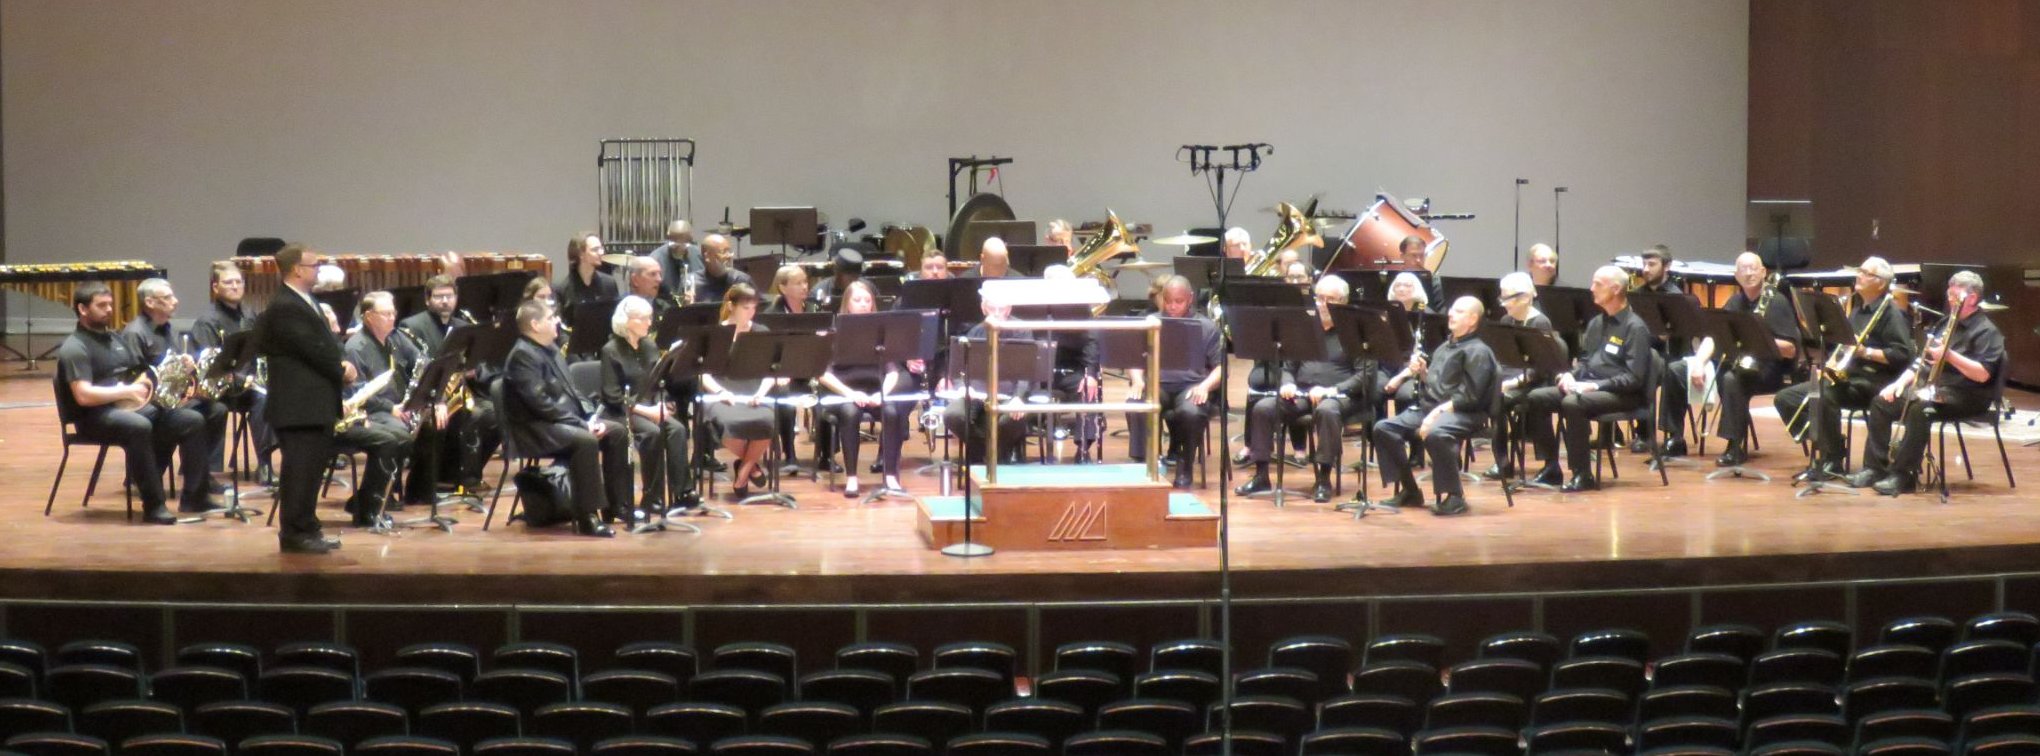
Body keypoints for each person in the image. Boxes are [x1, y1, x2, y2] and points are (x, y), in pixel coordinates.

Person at [53, 282, 214, 525]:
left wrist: (175, 369)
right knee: (138, 426)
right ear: (83, 309)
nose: (108, 310)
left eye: (110, 304)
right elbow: (83, 395)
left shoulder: (115, 340)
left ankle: (195, 497)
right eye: (101, 305)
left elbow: (139, 373)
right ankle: (154, 506)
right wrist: (125, 391)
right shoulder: (75, 347)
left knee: (191, 419)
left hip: (130, 407)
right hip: (94, 417)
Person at [1848, 271, 2001, 495]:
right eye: (1949, 295)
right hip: (1937, 390)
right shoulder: (1944, 323)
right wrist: (1897, 384)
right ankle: (1875, 468)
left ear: (1973, 298)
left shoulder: (1987, 331)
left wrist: (1949, 356)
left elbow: (1983, 375)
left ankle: (1904, 475)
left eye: (1955, 296)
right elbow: (1922, 361)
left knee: (1919, 409)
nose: (1950, 301)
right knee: (1881, 402)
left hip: (1968, 395)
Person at [1771, 256, 1915, 480]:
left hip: (1875, 381)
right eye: (1860, 270)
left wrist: (1865, 352)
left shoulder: (1890, 312)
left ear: (1880, 282)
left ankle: (1832, 459)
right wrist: (1829, 367)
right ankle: (1828, 449)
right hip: (1850, 377)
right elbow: (1844, 346)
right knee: (1786, 398)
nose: (1859, 275)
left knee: (1825, 396)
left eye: (1866, 273)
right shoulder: (1858, 309)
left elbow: (1904, 354)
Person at [254, 243, 353, 553]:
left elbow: (321, 344)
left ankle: (309, 527)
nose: (318, 270)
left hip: (313, 405)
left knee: (310, 471)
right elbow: (312, 350)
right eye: (314, 265)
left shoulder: (304, 300)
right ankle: (295, 534)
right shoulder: (285, 306)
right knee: (298, 471)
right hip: (298, 405)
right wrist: (341, 370)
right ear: (296, 269)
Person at [501, 299, 630, 535]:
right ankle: (587, 517)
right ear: (535, 324)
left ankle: (616, 506)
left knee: (617, 431)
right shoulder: (522, 356)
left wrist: (590, 416)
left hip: (559, 421)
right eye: (551, 317)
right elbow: (540, 404)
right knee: (585, 440)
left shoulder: (551, 348)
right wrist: (582, 425)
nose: (557, 320)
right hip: (534, 428)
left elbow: (574, 391)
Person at [1520, 265, 1655, 492]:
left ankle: (1583, 474)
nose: (1591, 289)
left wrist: (1594, 385)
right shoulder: (1596, 323)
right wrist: (1570, 376)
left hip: (1625, 395)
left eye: (1598, 284)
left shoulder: (1635, 327)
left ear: (1616, 288)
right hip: (1591, 388)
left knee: (1573, 403)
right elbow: (1585, 361)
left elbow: (1634, 378)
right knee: (1536, 397)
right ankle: (1551, 466)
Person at [1236, 275, 1370, 503]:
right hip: (1303, 393)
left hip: (1340, 396)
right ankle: (1261, 475)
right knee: (1263, 408)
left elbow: (1364, 375)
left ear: (1343, 302)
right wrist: (1288, 383)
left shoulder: (1354, 332)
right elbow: (1288, 366)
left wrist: (1332, 390)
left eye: (1330, 299)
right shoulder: (1305, 328)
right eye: (1319, 298)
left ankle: (1324, 478)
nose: (1323, 304)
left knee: (1327, 411)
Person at [1368, 296, 1498, 516]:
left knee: (1437, 433)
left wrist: (1435, 414)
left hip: (1465, 413)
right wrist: (1423, 374)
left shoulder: (1478, 351)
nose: (1451, 314)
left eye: (1458, 311)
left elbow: (1471, 397)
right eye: (1452, 310)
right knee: (1384, 428)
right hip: (1433, 409)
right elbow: (1438, 385)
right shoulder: (1446, 346)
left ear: (1473, 319)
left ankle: (1455, 497)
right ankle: (1410, 490)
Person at [123, 277, 231, 505]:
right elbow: (133, 376)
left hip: (169, 397)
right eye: (168, 297)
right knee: (193, 418)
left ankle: (200, 477)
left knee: (216, 409)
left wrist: (186, 366)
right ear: (150, 302)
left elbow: (171, 369)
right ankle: (190, 491)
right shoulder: (135, 333)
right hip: (146, 402)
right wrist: (170, 373)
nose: (176, 301)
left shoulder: (166, 329)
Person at [1698, 253, 1798, 467]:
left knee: (1732, 379)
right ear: (1736, 275)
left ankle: (1735, 445)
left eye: (1754, 268)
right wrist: (1699, 362)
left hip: (1770, 369)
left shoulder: (1777, 302)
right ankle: (1678, 438)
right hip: (1743, 366)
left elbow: (1791, 349)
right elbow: (1717, 336)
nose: (1749, 273)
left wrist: (1759, 341)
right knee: (1725, 372)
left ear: (1763, 272)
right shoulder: (1735, 301)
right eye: (1743, 269)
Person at [600, 296, 699, 513]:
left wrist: (664, 405)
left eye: (649, 318)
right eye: (643, 319)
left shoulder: (649, 346)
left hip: (650, 407)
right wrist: (649, 411)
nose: (648, 323)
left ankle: (682, 491)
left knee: (678, 429)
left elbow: (657, 382)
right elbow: (612, 395)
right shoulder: (611, 350)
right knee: (652, 433)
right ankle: (651, 496)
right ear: (627, 321)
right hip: (622, 411)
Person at [1126, 276, 1224, 489]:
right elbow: (1134, 359)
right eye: (1168, 301)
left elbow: (1220, 367)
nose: (1172, 306)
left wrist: (1205, 386)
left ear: (1190, 299)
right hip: (1156, 385)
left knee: (1191, 412)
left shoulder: (1207, 327)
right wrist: (1137, 380)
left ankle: (1185, 464)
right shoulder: (1150, 323)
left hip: (1191, 387)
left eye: (1178, 301)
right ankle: (1145, 463)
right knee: (1137, 404)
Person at [338, 292, 426, 523]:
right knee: (399, 436)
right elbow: (357, 392)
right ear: (369, 316)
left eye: (393, 312)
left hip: (397, 406)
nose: (392, 317)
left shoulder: (395, 338)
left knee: (427, 427)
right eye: (386, 314)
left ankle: (412, 490)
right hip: (372, 410)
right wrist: (392, 408)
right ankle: (372, 496)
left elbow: (422, 361)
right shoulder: (356, 347)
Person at [816, 280, 909, 498]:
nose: (863, 304)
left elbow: (893, 371)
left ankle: (891, 476)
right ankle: (852, 478)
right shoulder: (835, 332)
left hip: (875, 392)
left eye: (867, 300)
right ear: (847, 304)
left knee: (892, 411)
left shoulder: (880, 333)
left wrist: (882, 394)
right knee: (850, 412)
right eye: (857, 300)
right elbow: (824, 374)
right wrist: (850, 394)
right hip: (843, 393)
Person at [192, 260, 276, 484]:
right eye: (228, 282)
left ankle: (265, 463)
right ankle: (207, 473)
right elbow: (207, 363)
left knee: (264, 398)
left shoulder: (250, 315)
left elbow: (259, 351)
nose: (235, 286)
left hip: (246, 385)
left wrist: (256, 376)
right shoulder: (206, 321)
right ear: (215, 287)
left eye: (239, 282)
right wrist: (237, 378)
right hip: (217, 389)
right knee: (217, 408)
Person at [700, 284, 779, 497]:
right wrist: (720, 393)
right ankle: (751, 466)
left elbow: (772, 372)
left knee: (767, 421)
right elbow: (704, 374)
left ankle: (742, 474)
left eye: (754, 308)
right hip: (722, 395)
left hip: (754, 393)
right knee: (727, 424)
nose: (751, 312)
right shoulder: (717, 333)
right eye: (746, 307)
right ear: (731, 306)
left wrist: (761, 393)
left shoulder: (761, 333)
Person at [942, 291, 1038, 465]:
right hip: (979, 394)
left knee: (1009, 420)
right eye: (991, 308)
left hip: (1010, 394)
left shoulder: (1022, 330)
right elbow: (960, 368)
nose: (996, 313)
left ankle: (993, 456)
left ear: (1008, 310)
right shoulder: (976, 331)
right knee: (952, 415)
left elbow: (1026, 372)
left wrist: (1018, 397)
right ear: (983, 309)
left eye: (1001, 309)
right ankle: (982, 454)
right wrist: (963, 387)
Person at [1485, 272, 1560, 478]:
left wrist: (1513, 383)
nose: (1503, 303)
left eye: (1507, 298)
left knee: (1502, 399)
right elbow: (1503, 358)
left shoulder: (1540, 323)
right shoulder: (1506, 319)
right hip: (1512, 379)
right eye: (1502, 297)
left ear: (1525, 297)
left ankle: (1551, 464)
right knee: (1494, 398)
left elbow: (1543, 367)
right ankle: (1502, 462)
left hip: (1536, 382)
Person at [557, 233, 621, 328]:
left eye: (601, 248)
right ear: (580, 254)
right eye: (595, 250)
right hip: (575, 340)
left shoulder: (609, 283)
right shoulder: (563, 287)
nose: (601, 252)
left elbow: (615, 317)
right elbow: (561, 324)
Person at [693, 234, 752, 304]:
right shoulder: (692, 282)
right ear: (707, 256)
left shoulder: (741, 279)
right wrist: (686, 306)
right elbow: (679, 312)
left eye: (729, 251)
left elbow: (761, 308)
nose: (729, 256)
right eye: (723, 252)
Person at [649, 220, 700, 293]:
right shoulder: (655, 259)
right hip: (665, 303)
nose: (679, 248)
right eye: (675, 244)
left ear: (690, 239)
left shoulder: (699, 255)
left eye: (683, 244)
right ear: (669, 238)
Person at [623, 256, 673, 321]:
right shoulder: (619, 309)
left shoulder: (666, 309)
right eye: (653, 274)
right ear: (635, 280)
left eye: (660, 274)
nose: (659, 279)